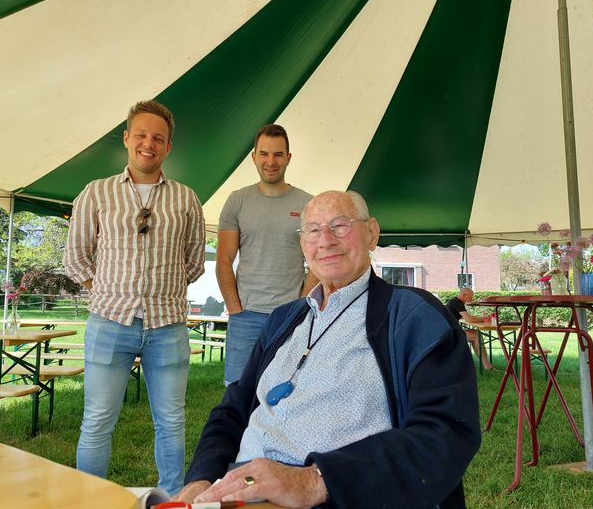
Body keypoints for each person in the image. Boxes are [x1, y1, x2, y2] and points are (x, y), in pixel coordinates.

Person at [174, 191, 481, 509]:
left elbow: (444, 434)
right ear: (303, 243)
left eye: (340, 225)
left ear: (371, 233)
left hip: (333, 498)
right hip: (240, 490)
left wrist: (314, 481)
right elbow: (233, 409)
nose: (325, 240)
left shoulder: (412, 316)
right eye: (313, 230)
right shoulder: (284, 319)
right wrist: (202, 478)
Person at [63, 100, 205, 495]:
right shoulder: (96, 193)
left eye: (158, 138)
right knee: (97, 419)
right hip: (109, 323)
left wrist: (163, 291)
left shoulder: (186, 198)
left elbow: (194, 262)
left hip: (167, 327)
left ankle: (173, 499)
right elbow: (75, 257)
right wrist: (107, 291)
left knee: (172, 421)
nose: (149, 143)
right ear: (126, 139)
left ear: (168, 147)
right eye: (141, 135)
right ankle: (91, 500)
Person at [216, 124, 317, 385]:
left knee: (288, 389)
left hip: (290, 315)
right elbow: (224, 260)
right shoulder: (237, 201)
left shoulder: (308, 204)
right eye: (264, 154)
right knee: (238, 392)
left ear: (288, 158)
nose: (270, 162)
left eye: (278, 154)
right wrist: (235, 309)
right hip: (245, 316)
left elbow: (316, 261)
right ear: (253, 157)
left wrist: (301, 305)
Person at [446, 287, 495, 370]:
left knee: (475, 334)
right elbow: (469, 319)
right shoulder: (456, 302)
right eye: (470, 297)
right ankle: (488, 366)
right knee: (477, 336)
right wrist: (483, 318)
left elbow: (466, 317)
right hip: (449, 335)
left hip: (447, 332)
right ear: (464, 295)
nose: (471, 299)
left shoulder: (455, 302)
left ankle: (484, 365)